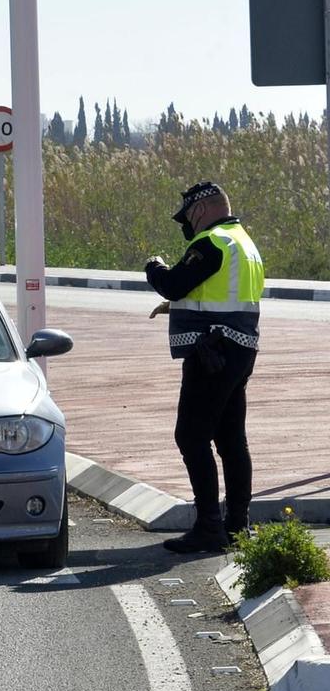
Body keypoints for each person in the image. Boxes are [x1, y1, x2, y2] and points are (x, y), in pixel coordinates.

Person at [144, 181, 265, 553]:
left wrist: (154, 266)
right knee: (231, 439)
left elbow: (174, 284)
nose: (187, 226)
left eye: (188, 217)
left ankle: (209, 526)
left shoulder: (212, 242)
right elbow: (216, 293)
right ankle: (237, 526)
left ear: (202, 210)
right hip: (241, 350)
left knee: (191, 436)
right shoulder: (244, 242)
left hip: (212, 353)